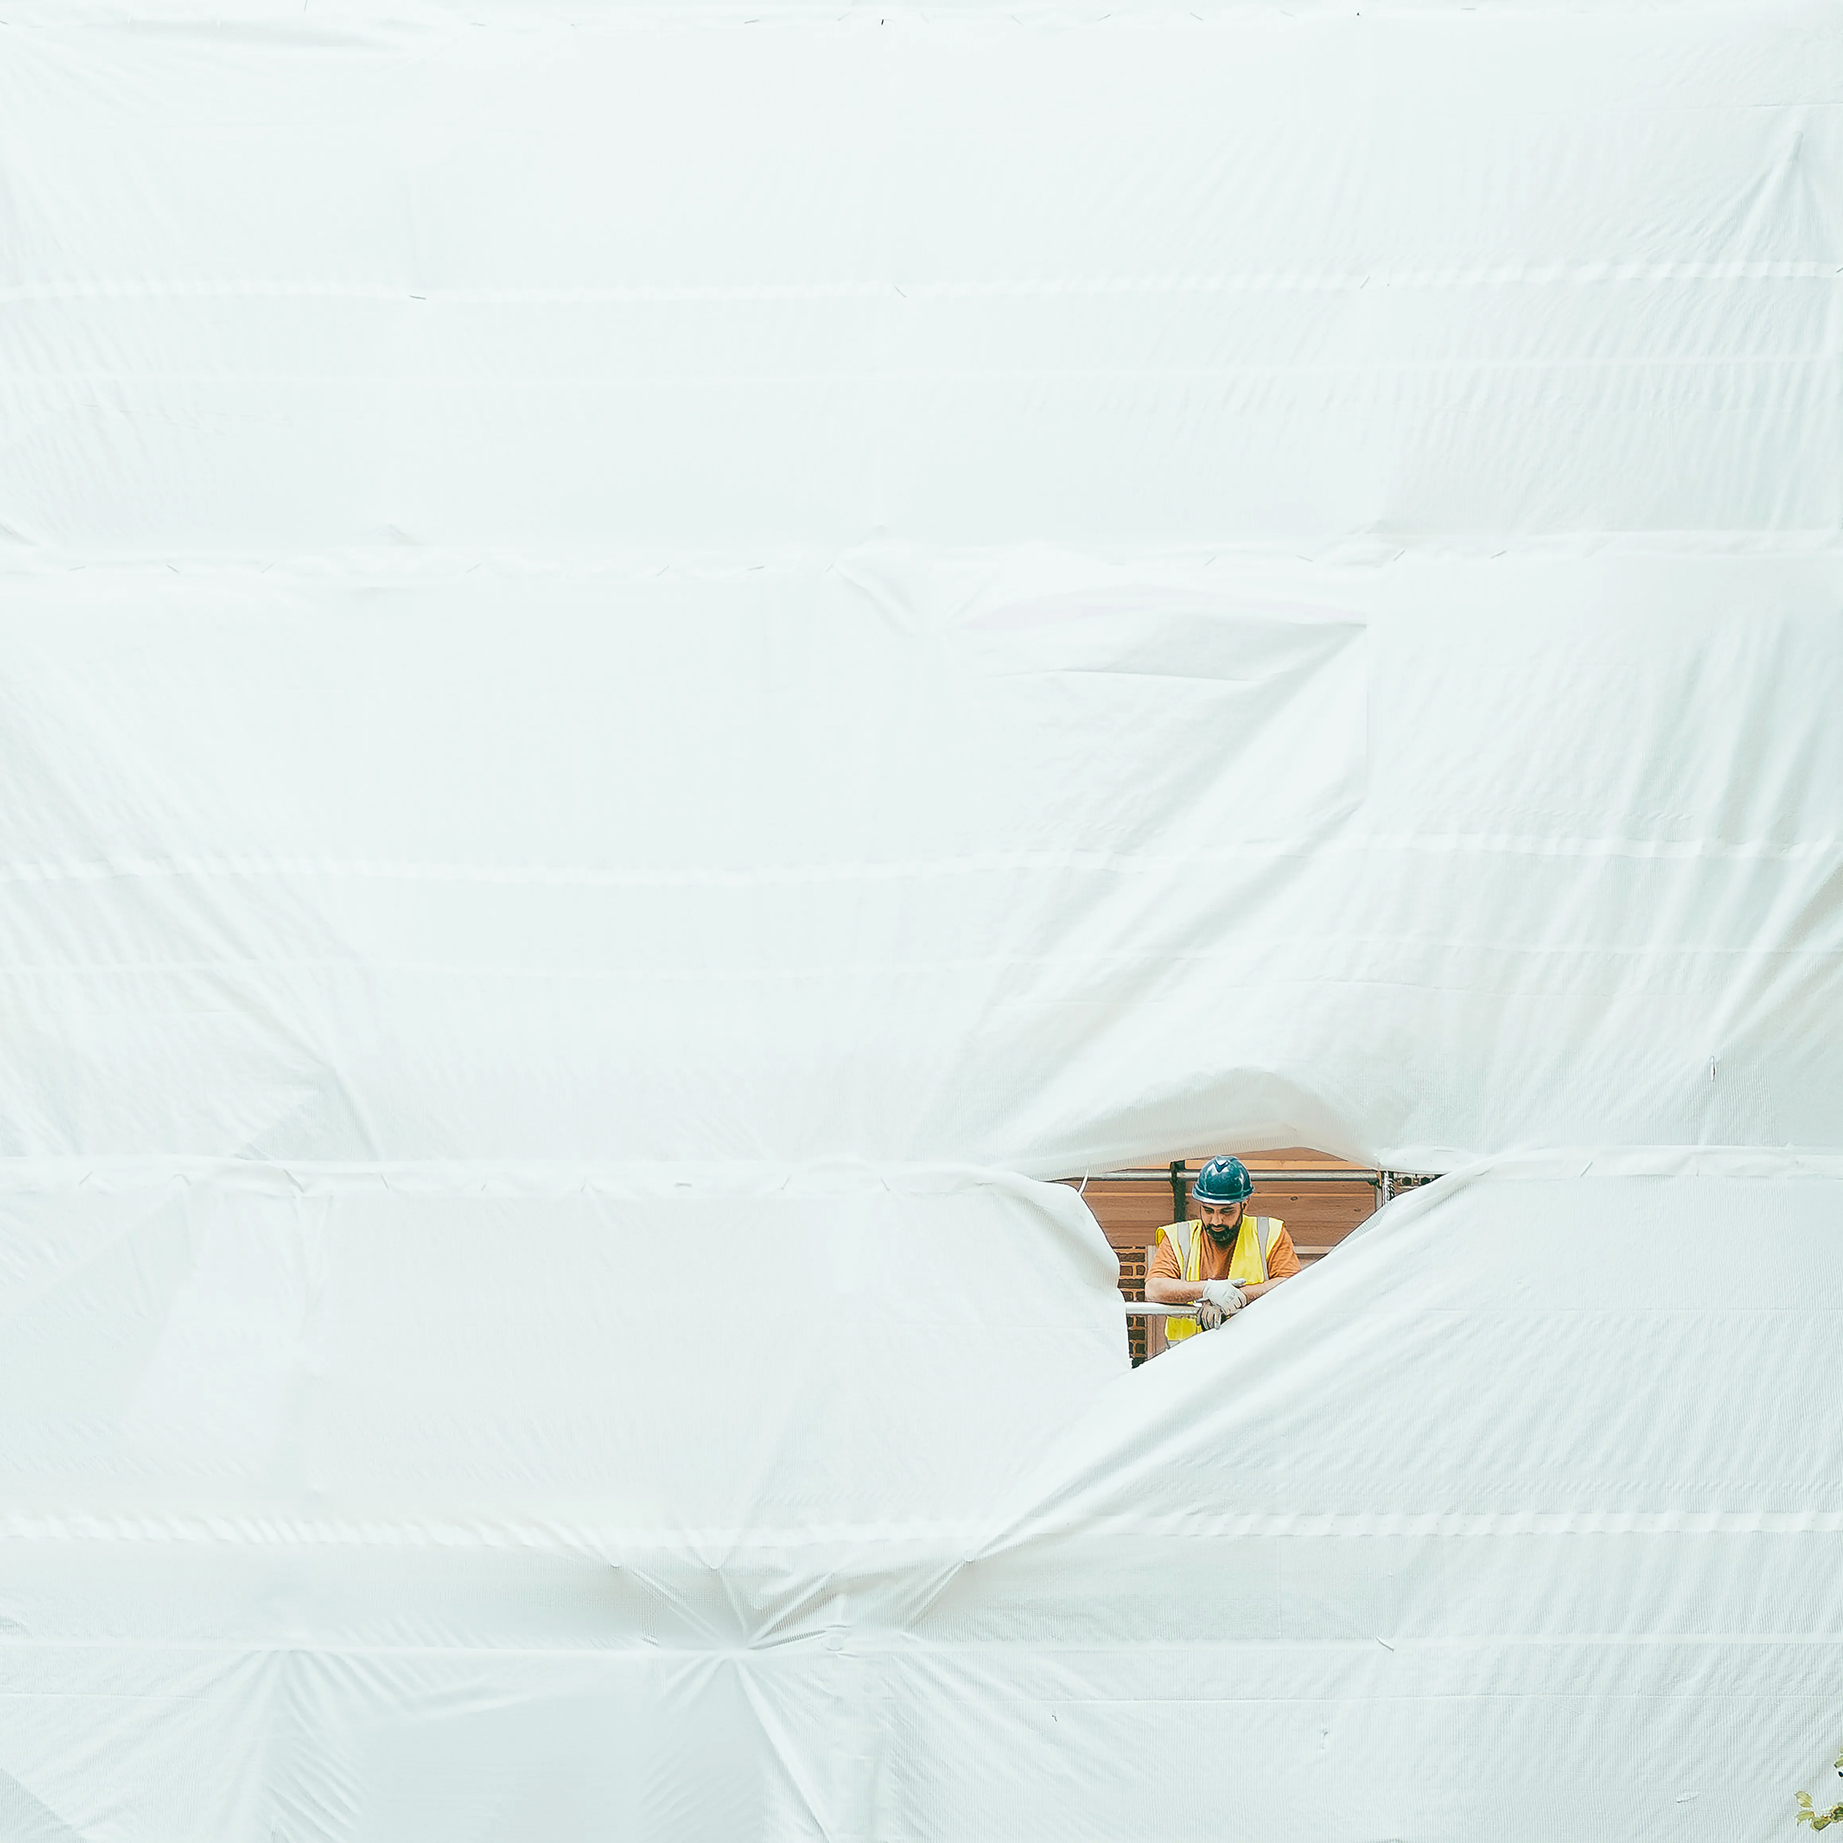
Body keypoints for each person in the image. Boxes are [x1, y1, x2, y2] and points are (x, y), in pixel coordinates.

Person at [1145, 1155, 1301, 1342]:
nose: (1216, 1221)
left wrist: (1239, 1297)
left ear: (1245, 1203)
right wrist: (1207, 1290)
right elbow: (1154, 1288)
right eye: (1208, 1211)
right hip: (1189, 1359)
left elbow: (1293, 1285)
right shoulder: (1179, 1237)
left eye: (1227, 1211)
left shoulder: (1270, 1233)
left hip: (1254, 1358)